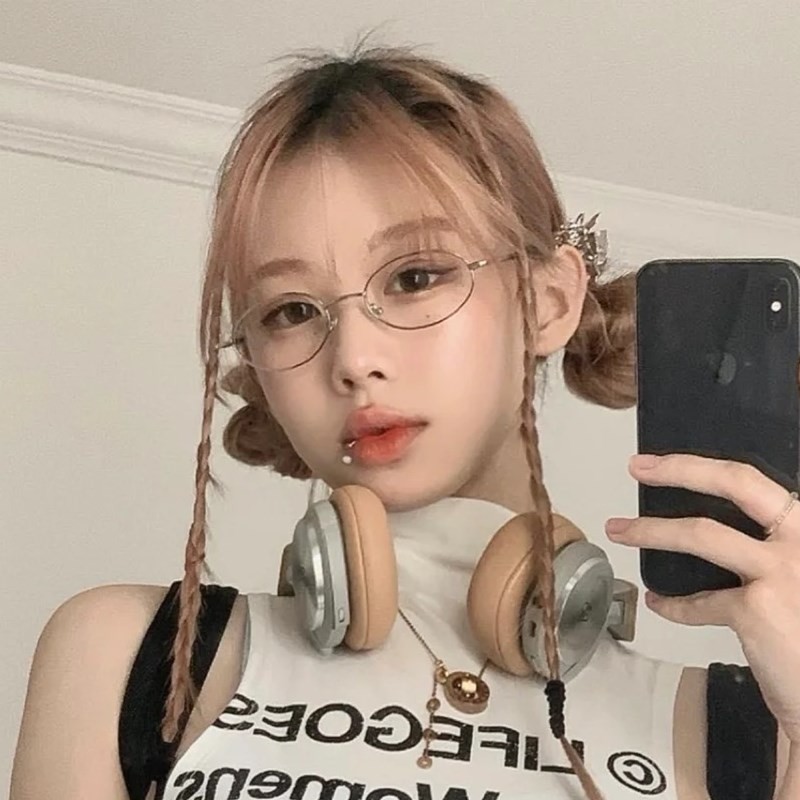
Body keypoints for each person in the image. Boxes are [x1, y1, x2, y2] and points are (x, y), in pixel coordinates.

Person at [10, 43, 800, 800]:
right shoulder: (124, 654)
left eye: (416, 277)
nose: (353, 358)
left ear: (548, 301)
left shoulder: (748, 728)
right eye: (292, 311)